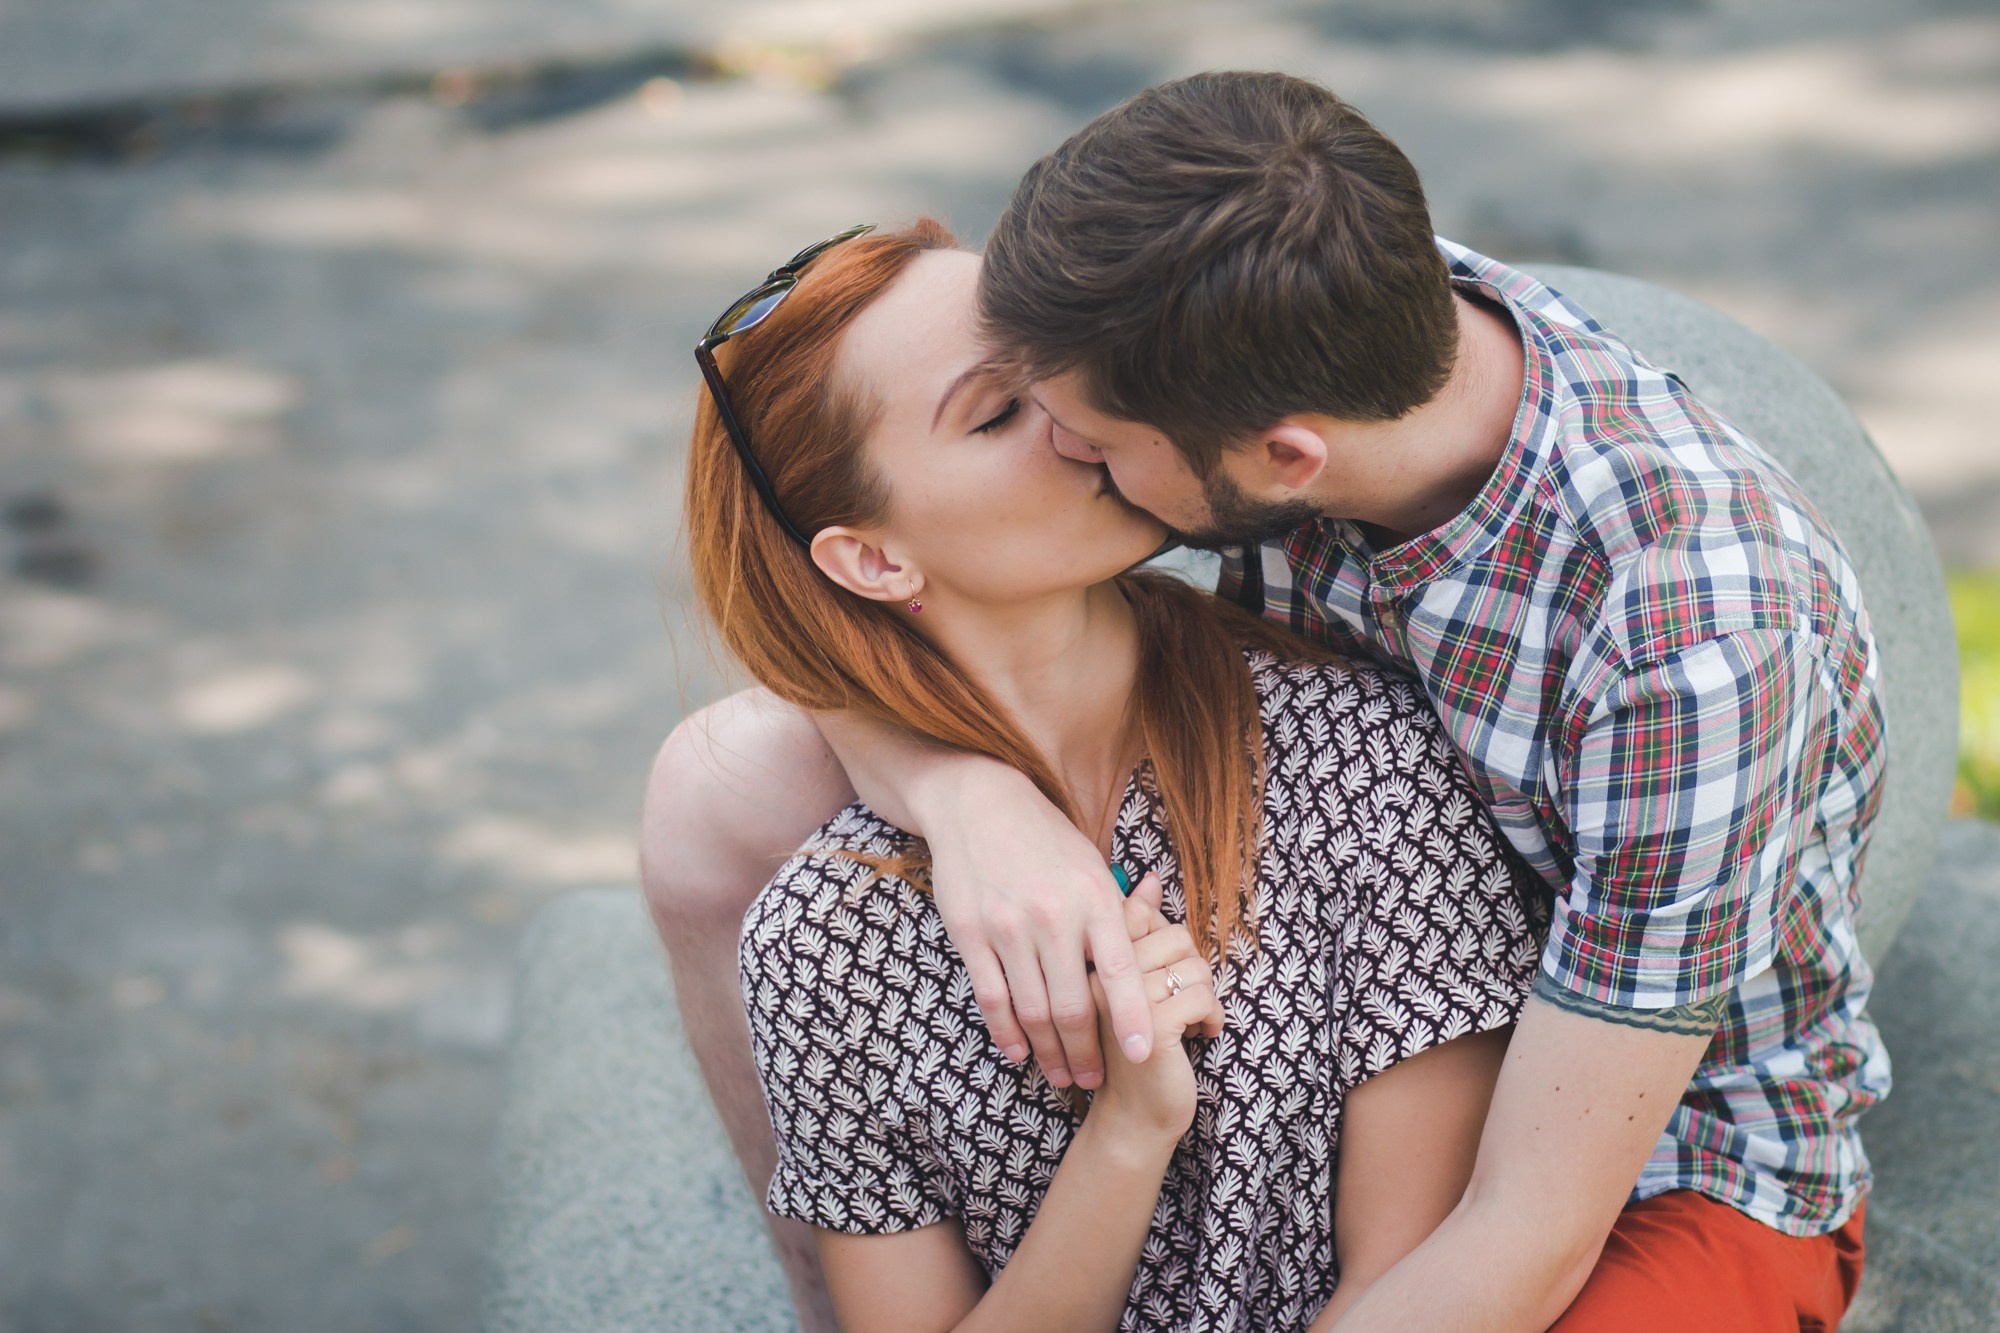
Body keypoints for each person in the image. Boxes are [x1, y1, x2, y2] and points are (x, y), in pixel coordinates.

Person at [646, 73, 1886, 1330]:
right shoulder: (1244, 315)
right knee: (712, 791)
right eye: (1006, 408)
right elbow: (858, 605)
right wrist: (963, 798)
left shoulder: (1692, 643)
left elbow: (1524, 1221)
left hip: (1657, 1144)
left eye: (1080, 422)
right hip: (1381, 952)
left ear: (1283, 461)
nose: (1067, 443)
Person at [674, 218, 1545, 1330]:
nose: (1084, 414)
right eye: (997, 411)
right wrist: (1128, 1133)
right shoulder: (823, 945)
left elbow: (1409, 1280)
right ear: (874, 559)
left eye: (1056, 359)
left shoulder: (1362, 756)